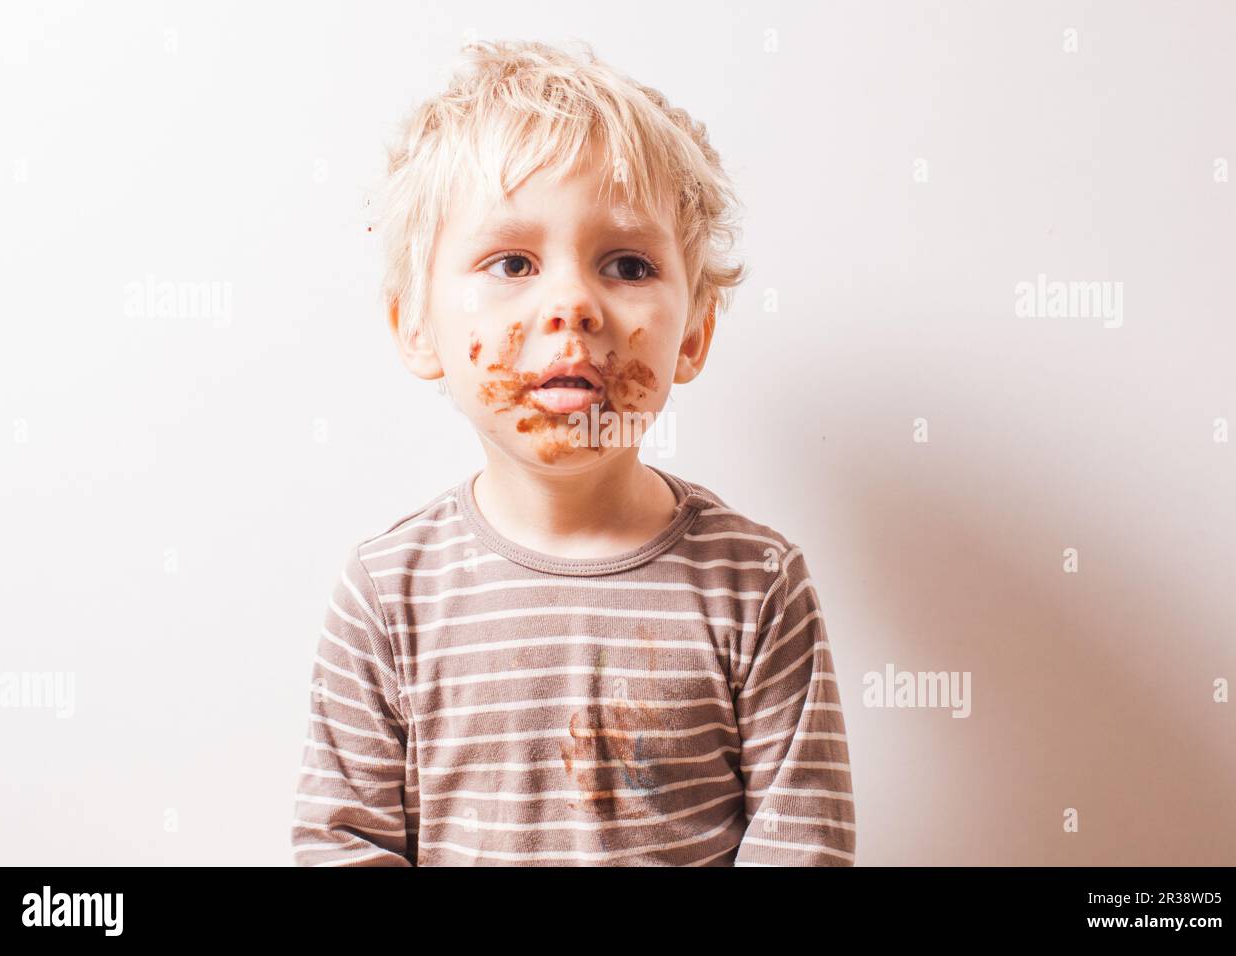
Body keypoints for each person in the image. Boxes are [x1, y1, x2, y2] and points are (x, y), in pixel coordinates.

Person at [290, 38, 855, 866]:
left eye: (626, 264)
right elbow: (341, 843)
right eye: (512, 261)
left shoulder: (756, 586)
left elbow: (803, 845)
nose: (572, 304)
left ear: (692, 335)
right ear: (417, 326)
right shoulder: (387, 596)